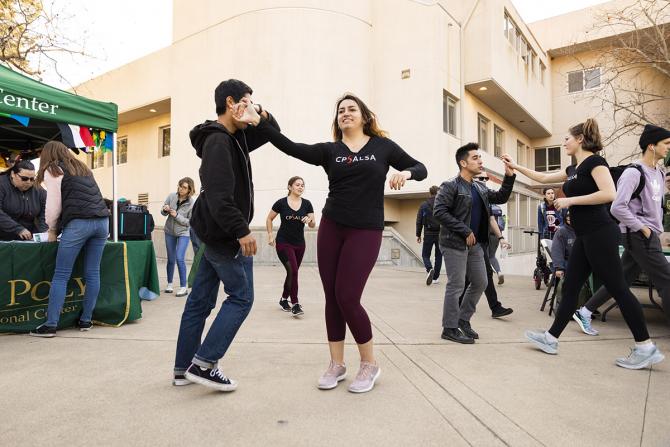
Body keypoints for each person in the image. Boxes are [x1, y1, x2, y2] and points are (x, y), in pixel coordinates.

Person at [246, 93, 426, 393]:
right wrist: (262, 120)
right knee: (332, 297)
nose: (345, 113)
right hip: (332, 227)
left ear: (364, 116)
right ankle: (337, 363)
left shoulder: (383, 148)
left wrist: (405, 173)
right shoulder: (331, 151)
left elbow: (421, 167)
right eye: (341, 110)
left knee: (347, 296)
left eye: (352, 109)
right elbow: (290, 147)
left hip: (365, 229)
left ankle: (369, 364)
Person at [503, 118, 664, 369]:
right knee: (571, 287)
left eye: (567, 137)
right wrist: (516, 167)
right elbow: (544, 178)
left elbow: (609, 193)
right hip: (584, 235)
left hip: (601, 232)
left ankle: (645, 346)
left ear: (580, 139)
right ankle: (551, 338)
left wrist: (570, 202)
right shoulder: (573, 169)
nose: (564, 142)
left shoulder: (595, 163)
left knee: (618, 288)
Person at [173, 79, 280, 391]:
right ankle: (204, 364)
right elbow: (220, 196)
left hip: (212, 231)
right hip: (224, 234)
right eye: (246, 100)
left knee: (200, 302)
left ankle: (183, 369)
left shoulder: (236, 137)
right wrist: (242, 230)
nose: (250, 106)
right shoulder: (219, 142)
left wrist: (259, 110)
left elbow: (272, 131)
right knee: (242, 297)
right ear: (231, 102)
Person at [574, 124, 670, 335]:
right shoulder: (633, 173)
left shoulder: (659, 173)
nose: (669, 148)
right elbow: (618, 207)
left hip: (647, 235)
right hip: (639, 236)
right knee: (667, 281)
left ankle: (585, 311)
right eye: (666, 143)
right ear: (652, 146)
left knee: (620, 279)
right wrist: (643, 228)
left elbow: (653, 204)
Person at [434, 143, 516, 345]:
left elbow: (501, 197)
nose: (480, 161)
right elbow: (439, 212)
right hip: (454, 243)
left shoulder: (479, 187)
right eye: (475, 158)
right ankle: (449, 327)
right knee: (457, 284)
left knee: (481, 282)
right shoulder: (450, 185)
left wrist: (509, 176)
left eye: (480, 157)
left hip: (476, 245)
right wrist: (464, 230)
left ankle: (462, 320)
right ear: (463, 163)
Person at [29, 141, 110, 337]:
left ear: (47, 155)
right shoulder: (82, 167)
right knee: (92, 273)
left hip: (79, 223)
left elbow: (54, 204)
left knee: (61, 274)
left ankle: (50, 324)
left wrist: (51, 229)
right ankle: (86, 320)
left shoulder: (53, 169)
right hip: (102, 221)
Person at [266, 175, 315, 317]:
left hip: (300, 244)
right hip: (283, 242)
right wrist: (270, 234)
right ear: (290, 187)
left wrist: (309, 220)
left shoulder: (307, 204)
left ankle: (283, 299)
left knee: (291, 273)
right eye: (297, 184)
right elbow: (269, 218)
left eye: (302, 185)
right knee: (294, 271)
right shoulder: (281, 203)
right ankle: (295, 304)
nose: (300, 187)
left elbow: (313, 224)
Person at [161, 177, 196, 297]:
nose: (181, 189)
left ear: (189, 189)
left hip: (183, 233)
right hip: (169, 231)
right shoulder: (171, 196)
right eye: (180, 186)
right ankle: (169, 284)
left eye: (184, 187)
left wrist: (176, 215)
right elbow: (163, 212)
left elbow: (191, 222)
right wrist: (165, 209)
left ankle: (183, 287)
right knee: (171, 259)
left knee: (179, 258)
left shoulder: (192, 203)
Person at [0, 159, 47, 241]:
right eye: (24, 178)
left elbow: (46, 212)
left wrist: (42, 233)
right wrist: (18, 229)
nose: (29, 182)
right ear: (13, 174)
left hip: (28, 237)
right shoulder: (2, 184)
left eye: (32, 179)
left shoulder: (38, 189)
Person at [416, 185, 442, 285]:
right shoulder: (442, 204)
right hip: (440, 234)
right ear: (438, 192)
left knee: (425, 255)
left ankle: (429, 269)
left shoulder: (424, 205)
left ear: (430, 193)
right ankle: (435, 278)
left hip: (428, 233)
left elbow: (419, 221)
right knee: (438, 256)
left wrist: (418, 234)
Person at [488, 203, 506, 284]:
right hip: (496, 236)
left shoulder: (485, 206)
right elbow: (501, 226)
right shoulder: (498, 209)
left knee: (482, 256)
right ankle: (499, 272)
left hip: (485, 235)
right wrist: (501, 238)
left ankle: (487, 276)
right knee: (491, 256)